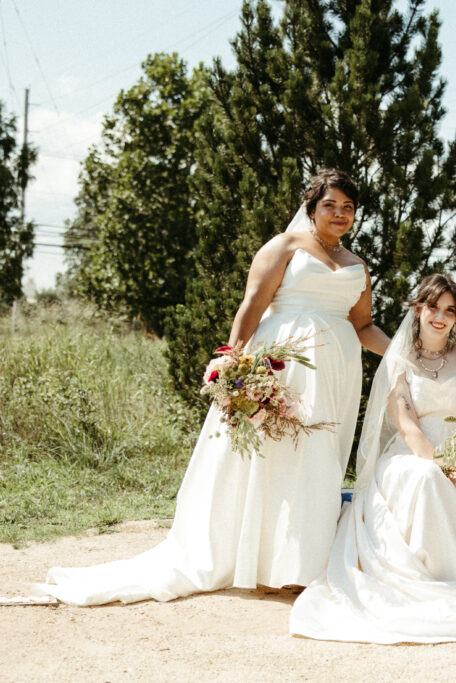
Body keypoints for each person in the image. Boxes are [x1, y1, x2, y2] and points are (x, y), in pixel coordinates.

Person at [38, 169, 388, 606]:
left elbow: (364, 326)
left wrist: (401, 354)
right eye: (329, 205)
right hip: (282, 365)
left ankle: (299, 565)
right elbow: (252, 306)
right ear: (312, 208)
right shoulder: (284, 247)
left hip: (337, 370)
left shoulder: (358, 265)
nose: (339, 214)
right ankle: (255, 560)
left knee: (319, 458)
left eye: (347, 207)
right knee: (273, 458)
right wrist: (234, 368)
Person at [289, 274, 456, 643]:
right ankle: (431, 576)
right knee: (426, 478)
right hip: (411, 457)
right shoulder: (400, 362)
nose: (439, 317)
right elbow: (409, 430)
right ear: (418, 309)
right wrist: (449, 473)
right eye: (432, 307)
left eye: (449, 310)